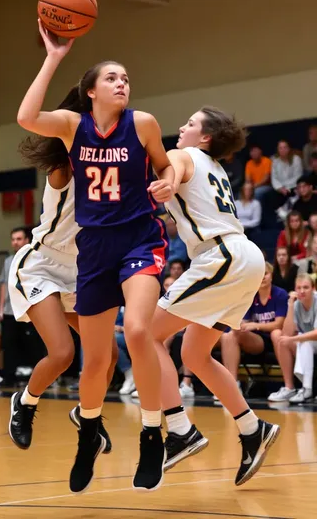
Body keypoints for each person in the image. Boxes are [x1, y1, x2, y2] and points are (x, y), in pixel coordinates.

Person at [17, 22, 173, 493]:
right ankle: (88, 432)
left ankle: (152, 435)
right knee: (95, 361)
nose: (122, 83)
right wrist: (53, 56)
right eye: (112, 78)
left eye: (126, 78)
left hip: (140, 238)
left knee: (141, 331)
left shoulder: (142, 124)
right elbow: (26, 117)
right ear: (91, 91)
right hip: (95, 248)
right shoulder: (72, 126)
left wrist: (166, 180)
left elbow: (165, 165)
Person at [151, 107, 280, 487]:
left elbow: (172, 169)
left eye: (190, 124)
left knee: (146, 334)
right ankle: (251, 427)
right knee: (194, 354)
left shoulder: (182, 155)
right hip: (246, 257)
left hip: (219, 256)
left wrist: (168, 183)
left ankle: (178, 429)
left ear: (205, 137)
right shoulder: (215, 166)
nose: (181, 127)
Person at [7, 117, 118, 454]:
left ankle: (87, 416)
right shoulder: (63, 168)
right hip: (41, 265)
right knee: (63, 353)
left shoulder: (111, 173)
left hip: (78, 271)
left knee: (108, 355)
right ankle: (24, 404)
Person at [220, 263, 288, 385]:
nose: (262, 277)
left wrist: (255, 325)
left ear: (271, 276)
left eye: (266, 274)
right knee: (228, 336)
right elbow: (245, 322)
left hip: (274, 338)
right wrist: (240, 325)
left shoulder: (280, 294)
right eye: (260, 274)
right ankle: (232, 384)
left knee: (276, 333)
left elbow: (278, 325)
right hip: (256, 340)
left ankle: (288, 385)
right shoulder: (250, 295)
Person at [268, 274, 317, 403]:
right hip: (306, 346)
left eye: (305, 287)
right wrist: (290, 305)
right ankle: (290, 388)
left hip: (313, 342)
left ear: (313, 288)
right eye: (298, 288)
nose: (301, 291)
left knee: (302, 340)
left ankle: (307, 389)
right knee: (283, 341)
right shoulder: (296, 305)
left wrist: (295, 339)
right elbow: (287, 333)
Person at [0, 227, 32, 383]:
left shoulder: (35, 259)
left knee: (30, 344)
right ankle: (9, 376)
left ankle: (34, 377)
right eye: (13, 239)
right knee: (9, 344)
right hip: (10, 310)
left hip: (30, 309)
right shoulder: (8, 261)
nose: (15, 242)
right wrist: (0, 309)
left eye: (19, 239)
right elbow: (4, 284)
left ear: (27, 240)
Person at [271, 140, 303, 204]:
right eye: (280, 148)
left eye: (285, 147)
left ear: (289, 149)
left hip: (293, 187)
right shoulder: (275, 161)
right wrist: (280, 188)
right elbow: (274, 178)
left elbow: (298, 176)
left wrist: (285, 187)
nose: (283, 150)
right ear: (278, 150)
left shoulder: (296, 159)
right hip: (279, 189)